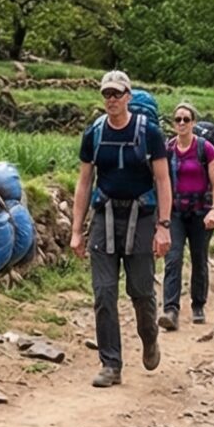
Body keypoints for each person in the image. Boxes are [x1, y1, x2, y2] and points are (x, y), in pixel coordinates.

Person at [70, 69, 172, 387]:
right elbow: (84, 182)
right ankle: (110, 364)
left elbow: (162, 180)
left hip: (141, 217)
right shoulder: (94, 133)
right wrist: (76, 230)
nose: (111, 99)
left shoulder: (149, 133)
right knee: (103, 293)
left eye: (117, 94)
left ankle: (149, 336)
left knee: (141, 291)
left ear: (128, 96)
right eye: (107, 94)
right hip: (105, 217)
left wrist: (163, 226)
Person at [159, 101, 214, 331]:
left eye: (186, 119)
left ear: (193, 122)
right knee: (173, 258)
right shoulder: (167, 150)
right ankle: (170, 309)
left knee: (199, 257)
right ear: (173, 123)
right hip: (175, 212)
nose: (182, 123)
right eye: (178, 119)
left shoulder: (206, 149)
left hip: (201, 212)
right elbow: (160, 180)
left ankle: (198, 305)